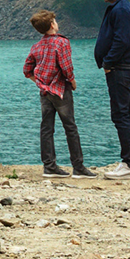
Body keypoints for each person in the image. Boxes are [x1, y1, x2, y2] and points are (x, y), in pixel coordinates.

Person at [23, 9, 92, 177]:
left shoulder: (36, 46)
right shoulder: (61, 42)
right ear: (53, 24)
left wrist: (40, 83)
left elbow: (27, 70)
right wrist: (73, 82)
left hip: (44, 92)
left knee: (46, 128)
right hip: (61, 90)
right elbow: (66, 66)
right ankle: (78, 167)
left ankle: (49, 166)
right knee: (70, 127)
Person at [92, 0, 130, 174]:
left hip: (121, 69)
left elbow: (121, 41)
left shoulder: (121, 10)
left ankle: (129, 162)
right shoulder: (121, 8)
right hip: (127, 68)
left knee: (120, 115)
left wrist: (108, 62)